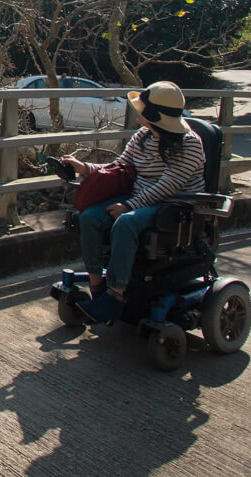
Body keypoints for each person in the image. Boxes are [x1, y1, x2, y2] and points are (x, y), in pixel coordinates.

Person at [59, 81, 205, 324]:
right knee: (90, 217)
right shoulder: (143, 136)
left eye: (142, 108)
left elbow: (167, 186)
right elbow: (120, 167)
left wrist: (130, 206)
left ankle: (115, 296)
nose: (137, 112)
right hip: (140, 197)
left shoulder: (189, 144)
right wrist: (86, 168)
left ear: (152, 115)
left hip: (173, 206)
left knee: (126, 223)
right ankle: (99, 291)